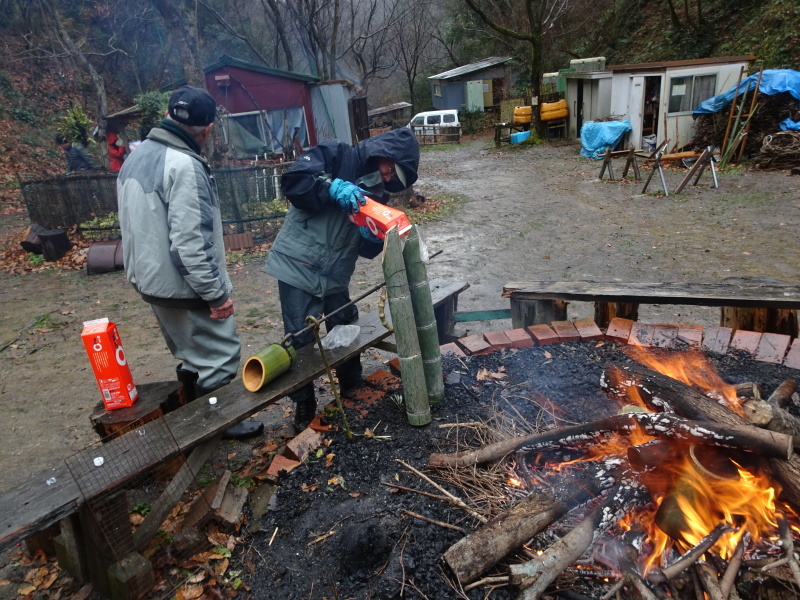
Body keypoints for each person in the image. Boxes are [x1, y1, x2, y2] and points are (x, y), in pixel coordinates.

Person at [117, 85, 262, 440]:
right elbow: (190, 243)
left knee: (188, 353)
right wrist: (215, 294)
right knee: (220, 358)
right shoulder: (184, 165)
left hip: (149, 279)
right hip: (181, 284)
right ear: (208, 128)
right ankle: (220, 424)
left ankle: (192, 414)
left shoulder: (136, 156)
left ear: (168, 114)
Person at [264, 127, 420, 431]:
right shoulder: (337, 154)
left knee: (346, 324)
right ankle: (304, 404)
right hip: (298, 264)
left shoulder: (378, 195)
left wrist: (373, 238)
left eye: (395, 177)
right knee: (300, 337)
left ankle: (352, 386)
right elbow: (293, 183)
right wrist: (331, 187)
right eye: (391, 169)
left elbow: (364, 250)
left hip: (335, 273)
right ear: (384, 153)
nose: (389, 178)